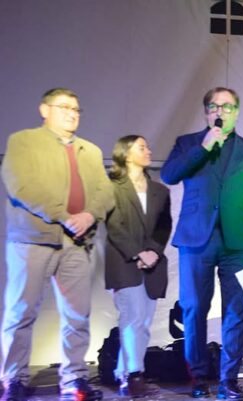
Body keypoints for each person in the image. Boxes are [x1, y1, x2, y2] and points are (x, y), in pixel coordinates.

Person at [160, 87, 243, 400]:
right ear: (206, 112)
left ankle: (229, 381)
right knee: (194, 308)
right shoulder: (187, 144)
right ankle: (198, 377)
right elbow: (169, 175)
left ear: (236, 112)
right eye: (213, 106)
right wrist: (203, 147)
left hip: (237, 243)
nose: (220, 111)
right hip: (196, 241)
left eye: (227, 106)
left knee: (236, 312)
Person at [1, 88, 114, 401]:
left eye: (77, 108)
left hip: (77, 244)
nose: (72, 113)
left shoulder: (89, 151)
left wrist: (90, 214)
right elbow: (21, 185)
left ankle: (74, 380)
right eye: (64, 106)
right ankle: (13, 379)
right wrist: (65, 216)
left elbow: (105, 192)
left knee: (77, 316)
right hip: (32, 240)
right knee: (20, 313)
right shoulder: (23, 141)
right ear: (44, 109)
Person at [105, 135, 172, 397]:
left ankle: (125, 375)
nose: (148, 150)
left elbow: (163, 225)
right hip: (124, 262)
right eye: (141, 147)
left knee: (143, 321)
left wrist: (153, 251)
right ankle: (135, 375)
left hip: (153, 264)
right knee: (131, 316)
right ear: (125, 153)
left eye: (147, 147)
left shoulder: (160, 191)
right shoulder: (111, 187)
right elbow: (114, 226)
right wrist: (138, 253)